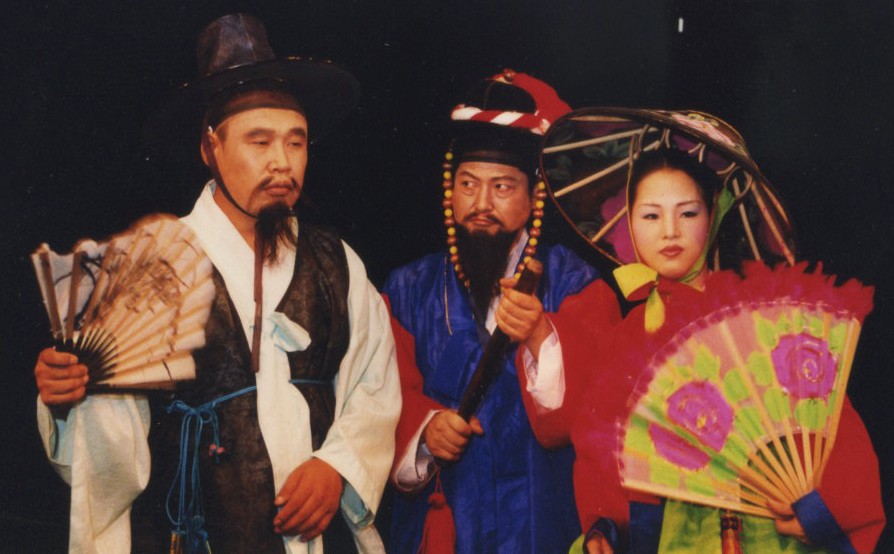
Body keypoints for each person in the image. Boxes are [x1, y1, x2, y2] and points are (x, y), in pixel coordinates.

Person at [32, 13, 400, 553]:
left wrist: (338, 466)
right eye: (259, 141)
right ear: (211, 148)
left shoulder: (336, 264)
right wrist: (68, 398)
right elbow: (108, 451)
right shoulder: (150, 272)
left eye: (295, 143)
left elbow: (374, 385)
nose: (282, 163)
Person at [563, 147, 885, 553]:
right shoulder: (626, 339)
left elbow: (830, 421)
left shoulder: (762, 320)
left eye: (688, 213)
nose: (670, 231)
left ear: (712, 216)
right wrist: (601, 530)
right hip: (674, 536)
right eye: (651, 216)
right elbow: (601, 455)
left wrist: (821, 511)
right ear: (629, 223)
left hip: (769, 530)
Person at [383, 69, 620, 553]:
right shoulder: (407, 291)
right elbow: (380, 397)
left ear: (533, 197)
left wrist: (541, 335)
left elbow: (605, 414)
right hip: (450, 524)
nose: (482, 204)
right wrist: (425, 432)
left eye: (503, 187)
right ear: (450, 192)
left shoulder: (577, 285)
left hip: (543, 521)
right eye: (468, 184)